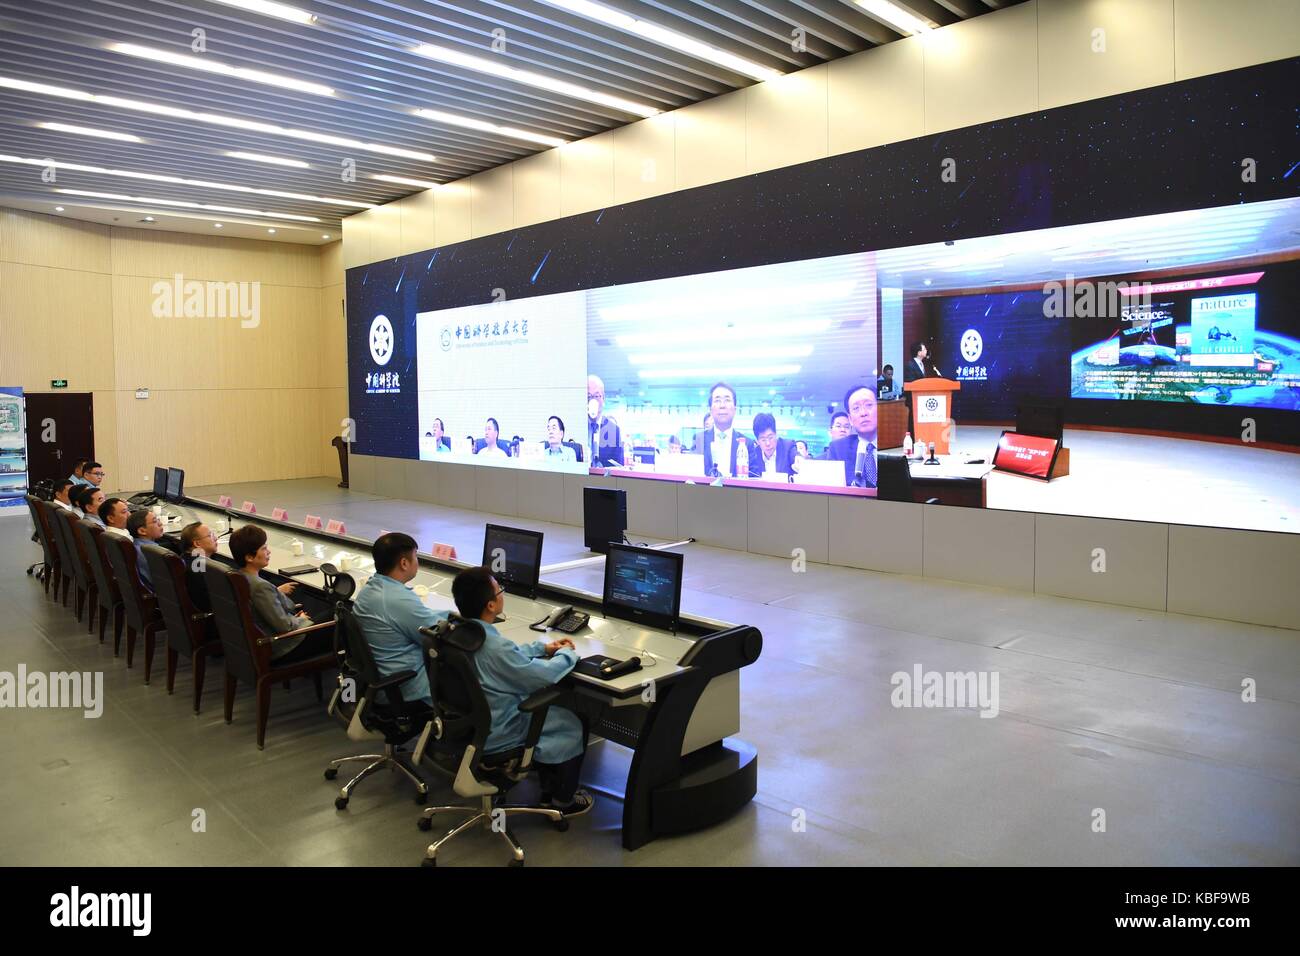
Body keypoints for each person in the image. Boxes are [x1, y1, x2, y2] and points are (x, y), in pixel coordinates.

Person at [453, 566, 592, 815]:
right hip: (499, 731)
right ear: (491, 606)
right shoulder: (494, 646)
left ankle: (549, 785)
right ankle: (562, 801)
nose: (501, 594)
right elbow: (537, 677)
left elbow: (511, 657)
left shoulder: (461, 631)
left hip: (466, 725)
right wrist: (566, 654)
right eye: (499, 591)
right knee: (572, 722)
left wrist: (542, 649)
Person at [229, 525, 332, 662]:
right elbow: (285, 626)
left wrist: (276, 592)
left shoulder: (241, 577)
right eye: (264, 549)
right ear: (249, 557)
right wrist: (301, 619)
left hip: (261, 642)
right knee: (340, 616)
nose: (269, 552)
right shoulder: (260, 586)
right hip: (282, 646)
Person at [825, 385, 879, 488]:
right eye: (856, 408)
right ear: (850, 419)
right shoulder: (838, 449)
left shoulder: (894, 442)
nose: (863, 413)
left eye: (868, 405)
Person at [702, 382, 746, 478]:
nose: (722, 405)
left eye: (727, 400)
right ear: (710, 409)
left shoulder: (747, 444)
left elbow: (754, 480)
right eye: (717, 400)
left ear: (735, 409)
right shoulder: (700, 440)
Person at [748, 412, 800, 479]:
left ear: (776, 434)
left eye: (770, 437)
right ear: (758, 441)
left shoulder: (788, 447)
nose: (768, 443)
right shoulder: (754, 455)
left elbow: (796, 457)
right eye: (763, 440)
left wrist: (799, 460)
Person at [180, 521, 218, 611]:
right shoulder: (201, 571)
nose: (216, 538)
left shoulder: (183, 559)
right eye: (210, 536)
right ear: (197, 544)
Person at [586, 374, 623, 466]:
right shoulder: (576, 427)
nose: (592, 400)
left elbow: (619, 467)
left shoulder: (614, 431)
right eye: (589, 396)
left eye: (597, 396)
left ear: (603, 398)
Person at [127, 509, 164, 591]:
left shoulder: (136, 546)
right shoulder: (153, 553)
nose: (160, 523)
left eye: (158, 519)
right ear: (142, 531)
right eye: (155, 521)